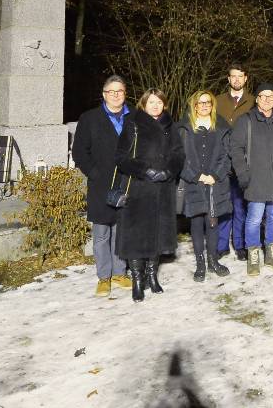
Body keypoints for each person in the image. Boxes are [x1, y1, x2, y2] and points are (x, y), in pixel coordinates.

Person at [115, 88, 185, 303]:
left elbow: (178, 154)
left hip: (162, 189)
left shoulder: (170, 126)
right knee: (137, 235)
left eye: (159, 102)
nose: (156, 106)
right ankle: (137, 280)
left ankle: (152, 276)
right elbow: (121, 157)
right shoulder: (132, 123)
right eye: (151, 102)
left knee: (157, 233)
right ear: (143, 104)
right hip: (139, 188)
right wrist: (145, 170)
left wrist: (169, 171)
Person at [72, 75, 134, 297]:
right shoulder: (89, 118)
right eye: (112, 91)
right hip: (101, 185)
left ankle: (120, 273)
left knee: (121, 231)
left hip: (127, 183)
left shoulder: (134, 116)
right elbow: (79, 152)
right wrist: (95, 173)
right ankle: (104, 277)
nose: (116, 95)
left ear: (125, 94)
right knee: (101, 234)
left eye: (120, 91)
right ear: (104, 94)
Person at [229, 83, 273, 276]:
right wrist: (244, 175)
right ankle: (253, 256)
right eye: (263, 96)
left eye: (271, 96)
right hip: (255, 179)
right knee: (254, 219)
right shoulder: (245, 120)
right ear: (256, 99)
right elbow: (236, 150)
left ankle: (272, 254)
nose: (267, 100)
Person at [177, 90, 232, 282]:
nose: (204, 105)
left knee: (213, 221)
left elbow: (227, 155)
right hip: (194, 182)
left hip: (214, 183)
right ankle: (200, 264)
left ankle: (213, 261)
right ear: (194, 106)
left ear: (212, 104)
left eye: (207, 102)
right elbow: (179, 158)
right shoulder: (184, 128)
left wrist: (215, 175)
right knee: (197, 222)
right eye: (200, 103)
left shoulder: (222, 126)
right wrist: (196, 175)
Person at [215, 65, 255, 261]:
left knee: (241, 206)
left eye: (241, 76)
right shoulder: (218, 101)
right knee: (224, 205)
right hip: (221, 162)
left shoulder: (253, 102)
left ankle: (240, 244)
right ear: (228, 79)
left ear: (245, 78)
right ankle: (222, 245)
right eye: (233, 76)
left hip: (242, 163)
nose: (237, 80)